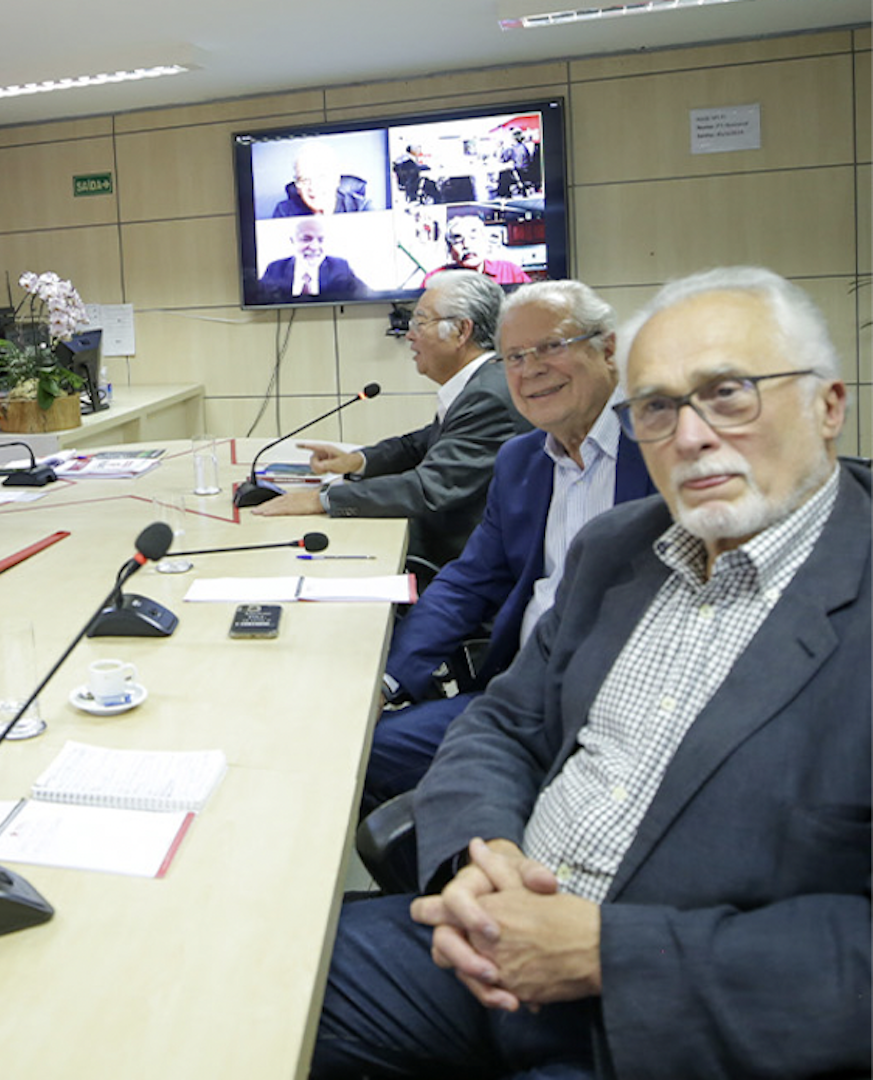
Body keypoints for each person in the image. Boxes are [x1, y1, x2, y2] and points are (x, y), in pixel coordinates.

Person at [311, 267, 869, 1078]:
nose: (690, 436)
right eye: (657, 407)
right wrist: (482, 860)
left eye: (729, 394)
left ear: (828, 405)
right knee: (249, 981)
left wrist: (608, 952)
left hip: (686, 1019)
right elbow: (502, 722)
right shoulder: (618, 547)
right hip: (492, 937)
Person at [362, 279, 658, 821]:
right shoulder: (523, 461)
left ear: (608, 348)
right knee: (360, 751)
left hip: (630, 715)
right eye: (515, 356)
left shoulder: (666, 453)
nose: (530, 369)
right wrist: (384, 683)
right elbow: (468, 581)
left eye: (553, 346)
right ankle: (449, 888)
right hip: (520, 699)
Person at [253, 271, 531, 570]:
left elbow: (429, 488)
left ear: (461, 331)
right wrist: (357, 461)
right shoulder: (482, 382)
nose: (409, 335)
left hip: (462, 566)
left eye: (420, 323)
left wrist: (323, 499)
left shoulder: (489, 396)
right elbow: (418, 445)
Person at [257, 217, 369, 303]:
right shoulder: (275, 268)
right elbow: (258, 299)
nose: (314, 247)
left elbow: (366, 295)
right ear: (293, 241)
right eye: (306, 239)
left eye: (320, 240)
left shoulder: (339, 267)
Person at [271, 140, 371, 217]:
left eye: (321, 177)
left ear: (336, 180)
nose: (313, 187)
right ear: (297, 188)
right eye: (304, 180)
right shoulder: (283, 212)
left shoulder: (361, 208)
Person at [424, 216, 530, 286]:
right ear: (450, 250)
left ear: (485, 243)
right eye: (458, 240)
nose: (466, 245)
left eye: (473, 237)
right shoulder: (435, 279)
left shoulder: (509, 271)